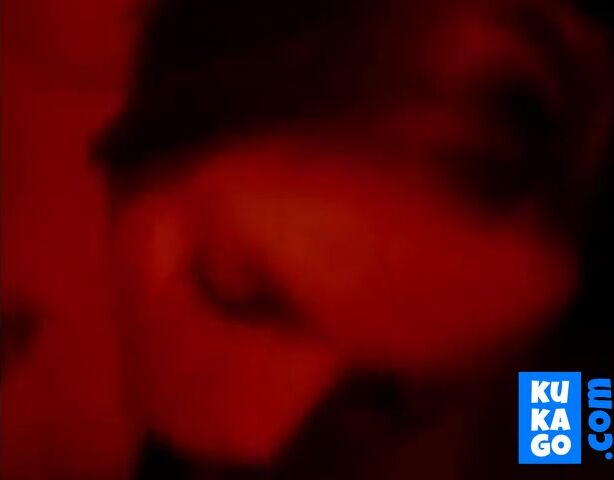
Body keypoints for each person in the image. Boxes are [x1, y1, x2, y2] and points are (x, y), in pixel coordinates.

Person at [95, 0, 614, 478]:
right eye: (236, 290)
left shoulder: (565, 384)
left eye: (387, 393)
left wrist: (568, 450)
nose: (256, 438)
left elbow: (573, 433)